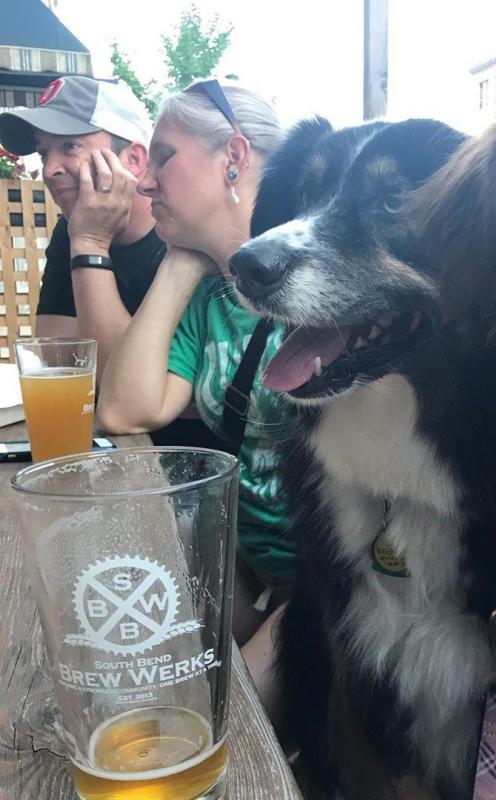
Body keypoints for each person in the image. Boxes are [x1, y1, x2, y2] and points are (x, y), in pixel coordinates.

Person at [97, 81, 291, 718]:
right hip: (247, 568)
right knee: (133, 674)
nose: (144, 181)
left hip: (332, 579)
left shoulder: (311, 280)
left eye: (164, 156)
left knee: (216, 724)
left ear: (233, 155)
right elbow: (124, 408)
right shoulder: (210, 296)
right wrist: (179, 267)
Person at [0, 76, 228, 449]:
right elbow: (59, 363)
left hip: (193, 459)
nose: (50, 169)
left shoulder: (185, 237)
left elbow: (117, 384)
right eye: (43, 153)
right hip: (114, 449)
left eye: (69, 146)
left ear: (134, 160)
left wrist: (90, 244)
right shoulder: (71, 230)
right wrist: (84, 239)